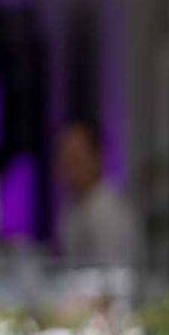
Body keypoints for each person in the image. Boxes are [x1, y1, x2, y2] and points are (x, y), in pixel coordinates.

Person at [53, 117, 143, 273]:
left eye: (76, 159)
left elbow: (115, 275)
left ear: (97, 157)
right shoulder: (73, 206)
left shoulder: (110, 211)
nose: (69, 170)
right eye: (64, 161)